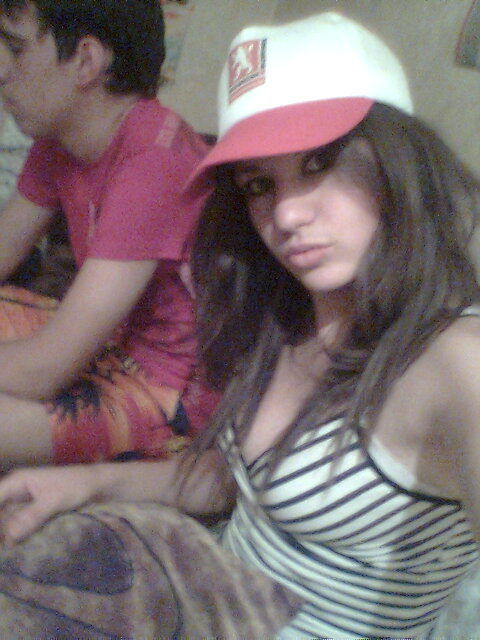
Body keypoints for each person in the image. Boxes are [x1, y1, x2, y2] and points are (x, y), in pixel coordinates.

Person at [0, 10, 478, 639]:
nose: (286, 214)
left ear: (399, 157)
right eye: (259, 184)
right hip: (213, 597)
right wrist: (84, 485)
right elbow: (231, 484)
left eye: (320, 162)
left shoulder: (454, 360)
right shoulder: (282, 315)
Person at [0, 0, 218, 470]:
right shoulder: (58, 137)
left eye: (15, 48)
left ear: (86, 61)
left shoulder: (154, 160)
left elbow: (46, 367)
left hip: (167, 391)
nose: (1, 70)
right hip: (105, 347)